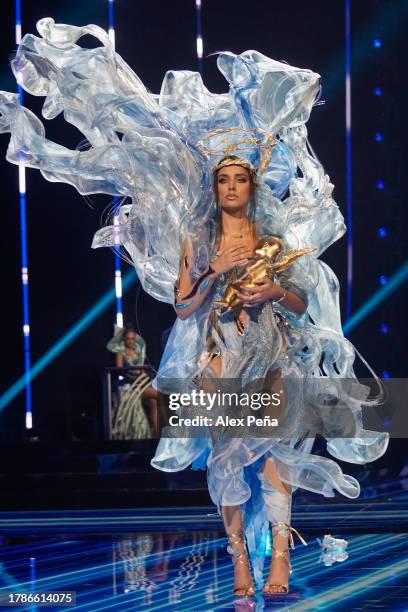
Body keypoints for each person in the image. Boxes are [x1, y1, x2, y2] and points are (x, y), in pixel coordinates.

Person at [0, 19, 389, 598]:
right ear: (215, 184)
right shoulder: (195, 241)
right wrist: (212, 274)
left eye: (240, 177)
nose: (231, 186)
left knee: (275, 454)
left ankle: (280, 554)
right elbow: (183, 309)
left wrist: (271, 292)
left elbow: (303, 299)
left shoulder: (274, 238)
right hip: (218, 358)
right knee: (230, 461)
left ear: (252, 185)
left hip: (274, 353)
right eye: (223, 178)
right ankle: (238, 560)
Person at [107, 324, 159, 438]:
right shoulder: (121, 352)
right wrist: (131, 375)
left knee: (154, 403)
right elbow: (119, 369)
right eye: (128, 339)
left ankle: (156, 435)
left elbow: (142, 369)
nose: (130, 341)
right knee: (160, 396)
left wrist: (144, 374)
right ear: (124, 339)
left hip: (142, 382)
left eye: (132, 339)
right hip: (131, 384)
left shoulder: (138, 350)